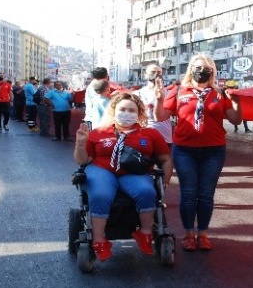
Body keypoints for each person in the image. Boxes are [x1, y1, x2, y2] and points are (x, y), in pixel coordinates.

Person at [153, 53, 242, 251]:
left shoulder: (219, 93)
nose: (202, 71)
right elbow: (160, 116)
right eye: (198, 67)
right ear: (191, 69)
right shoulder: (177, 91)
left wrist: (236, 102)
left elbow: (235, 120)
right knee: (189, 193)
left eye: (206, 68)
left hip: (214, 151)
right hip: (185, 151)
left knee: (206, 194)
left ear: (212, 71)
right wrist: (159, 99)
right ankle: (188, 234)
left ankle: (203, 234)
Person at [73, 92, 173, 262]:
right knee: (100, 195)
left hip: (134, 172)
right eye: (122, 109)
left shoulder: (150, 134)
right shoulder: (98, 132)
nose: (126, 113)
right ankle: (98, 240)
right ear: (114, 110)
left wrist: (165, 181)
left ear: (139, 113)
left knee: (147, 192)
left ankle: (145, 234)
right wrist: (81, 143)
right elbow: (83, 160)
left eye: (131, 110)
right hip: (102, 170)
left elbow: (165, 159)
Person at [134, 64, 174, 147]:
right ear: (145, 74)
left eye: (159, 72)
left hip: (165, 136)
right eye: (153, 72)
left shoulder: (170, 94)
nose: (156, 74)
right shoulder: (137, 94)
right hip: (145, 136)